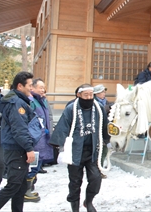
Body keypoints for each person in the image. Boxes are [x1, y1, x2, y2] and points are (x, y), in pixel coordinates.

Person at [49, 84, 110, 212]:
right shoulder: (71, 109)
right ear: (79, 95)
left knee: (96, 179)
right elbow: (63, 128)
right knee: (75, 182)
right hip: (75, 151)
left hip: (93, 151)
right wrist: (60, 149)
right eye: (86, 95)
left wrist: (107, 140)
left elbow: (104, 126)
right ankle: (74, 208)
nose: (89, 98)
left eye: (91, 95)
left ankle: (88, 201)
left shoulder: (99, 108)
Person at [0, 71, 36, 212]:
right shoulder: (17, 104)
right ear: (20, 86)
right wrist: (29, 148)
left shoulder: (18, 101)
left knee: (20, 186)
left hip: (17, 148)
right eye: (29, 85)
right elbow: (19, 129)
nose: (31, 88)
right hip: (16, 149)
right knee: (13, 185)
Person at [24, 79, 53, 203]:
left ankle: (29, 188)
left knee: (38, 164)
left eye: (43, 87)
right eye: (40, 87)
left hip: (43, 136)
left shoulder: (41, 100)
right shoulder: (31, 101)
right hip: (35, 138)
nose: (42, 90)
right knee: (33, 166)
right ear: (33, 88)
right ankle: (26, 191)